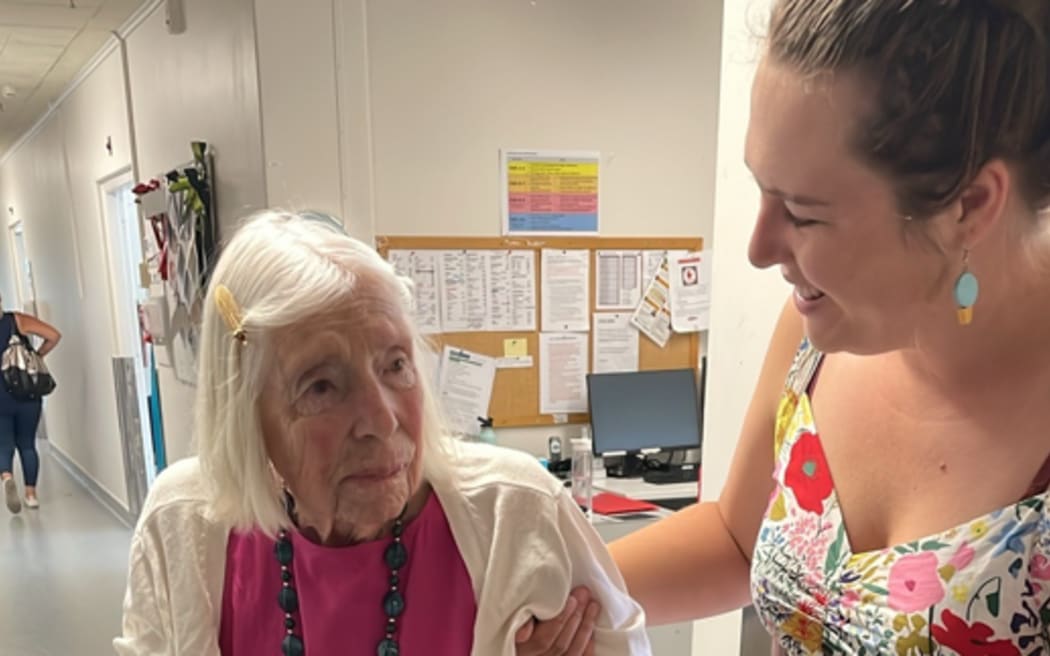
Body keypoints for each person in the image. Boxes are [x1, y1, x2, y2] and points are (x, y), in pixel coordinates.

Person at [532, 1, 1050, 653]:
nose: (758, 248)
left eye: (805, 215)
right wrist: (541, 592)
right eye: (761, 189)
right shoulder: (815, 334)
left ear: (969, 205)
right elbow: (735, 541)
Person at [113, 210, 650, 655]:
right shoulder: (181, 523)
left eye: (395, 365)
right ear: (244, 412)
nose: (382, 419)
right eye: (321, 386)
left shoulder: (516, 512)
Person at [0, 299, 60, 513]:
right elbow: (54, 335)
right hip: (27, 393)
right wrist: (36, 356)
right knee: (27, 445)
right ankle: (31, 495)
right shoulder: (17, 320)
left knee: (4, 445)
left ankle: (7, 476)